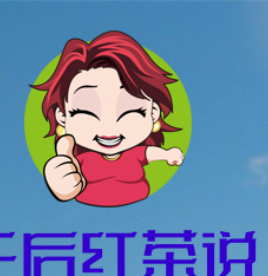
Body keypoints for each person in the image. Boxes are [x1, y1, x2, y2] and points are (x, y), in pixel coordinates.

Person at [32, 31, 185, 207]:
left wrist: (167, 154)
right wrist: (60, 178)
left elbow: (148, 153)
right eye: (86, 112)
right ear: (62, 116)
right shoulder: (84, 160)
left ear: (153, 113)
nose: (108, 126)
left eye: (129, 110)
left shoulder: (132, 155)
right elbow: (69, 172)